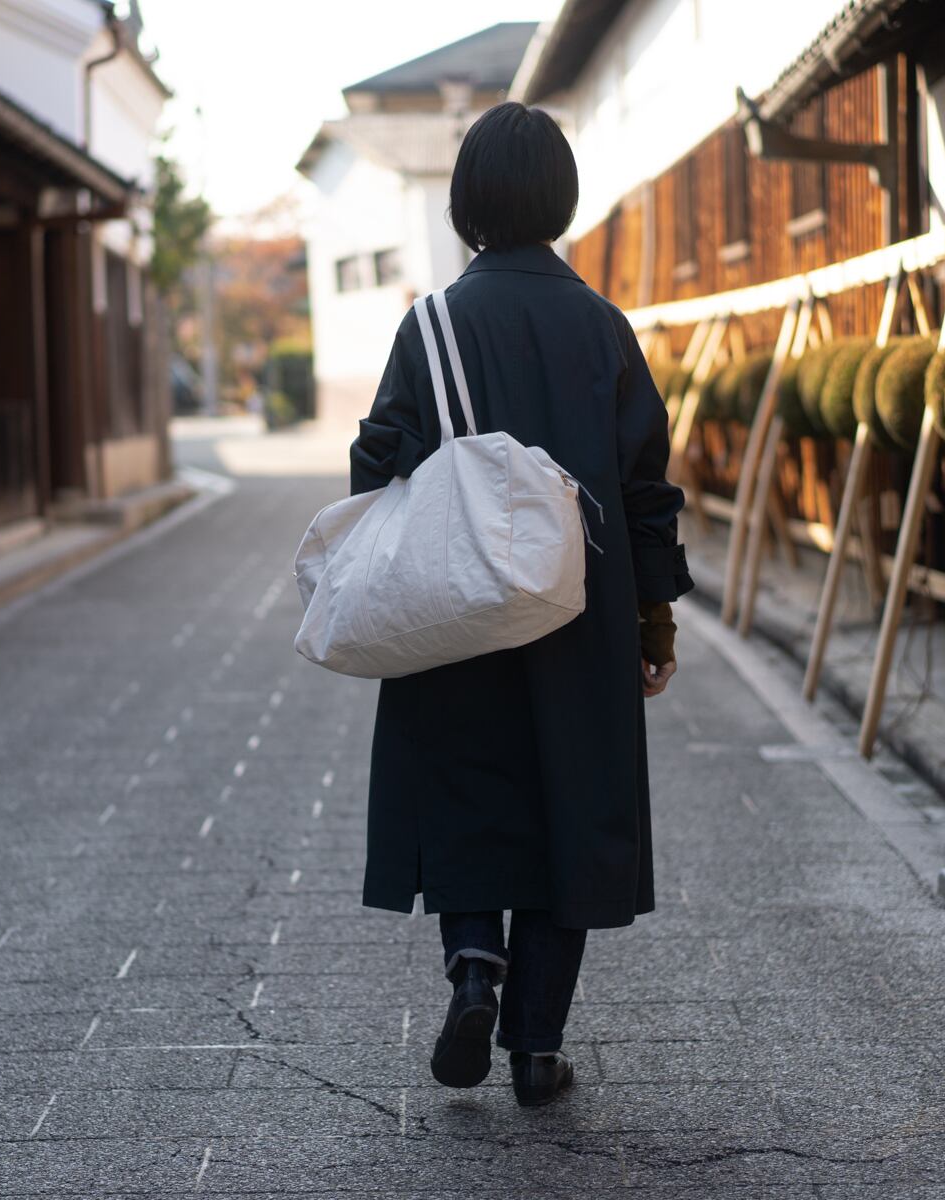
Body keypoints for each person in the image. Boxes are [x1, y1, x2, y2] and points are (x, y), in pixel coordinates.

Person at [349, 101, 692, 1107]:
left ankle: (471, 969)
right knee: (571, 812)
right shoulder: (603, 329)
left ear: (467, 204)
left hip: (454, 612)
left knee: (462, 788)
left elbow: (378, 459)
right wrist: (655, 618)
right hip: (578, 616)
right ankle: (537, 1047)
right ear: (560, 199)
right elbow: (644, 490)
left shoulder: (430, 326)